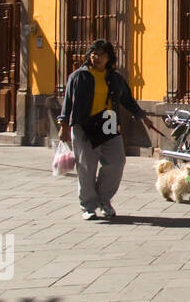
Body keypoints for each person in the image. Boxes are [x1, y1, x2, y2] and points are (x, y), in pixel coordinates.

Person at [57, 39, 161, 221]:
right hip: (84, 124)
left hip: (108, 122)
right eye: (94, 53)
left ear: (109, 58)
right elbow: (68, 102)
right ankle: (88, 206)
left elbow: (127, 100)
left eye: (102, 54)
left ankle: (104, 200)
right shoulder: (78, 76)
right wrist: (63, 125)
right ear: (89, 55)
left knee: (117, 161)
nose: (97, 57)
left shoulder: (114, 78)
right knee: (87, 167)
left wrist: (143, 117)